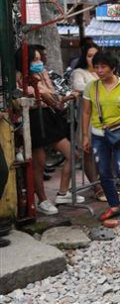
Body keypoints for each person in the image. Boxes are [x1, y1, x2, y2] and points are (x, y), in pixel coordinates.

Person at [15, 46, 82, 216]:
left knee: (72, 154)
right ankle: (42, 200)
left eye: (40, 59)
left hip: (48, 117)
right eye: (35, 60)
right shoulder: (19, 79)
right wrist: (53, 96)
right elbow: (50, 98)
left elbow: (54, 98)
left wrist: (61, 97)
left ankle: (62, 193)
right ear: (25, 62)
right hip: (33, 120)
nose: (39, 63)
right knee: (39, 164)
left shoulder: (42, 74)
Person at [81, 52, 120, 222]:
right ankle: (114, 205)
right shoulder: (91, 87)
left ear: (113, 68)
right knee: (103, 172)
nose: (99, 71)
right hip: (98, 136)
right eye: (97, 67)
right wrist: (85, 136)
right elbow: (86, 112)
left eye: (103, 67)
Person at [70, 43, 104, 201]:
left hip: (104, 119)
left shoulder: (101, 72)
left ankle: (104, 183)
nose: (92, 59)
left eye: (95, 55)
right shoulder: (79, 72)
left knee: (103, 154)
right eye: (89, 56)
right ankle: (96, 187)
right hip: (87, 119)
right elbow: (78, 86)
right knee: (88, 153)